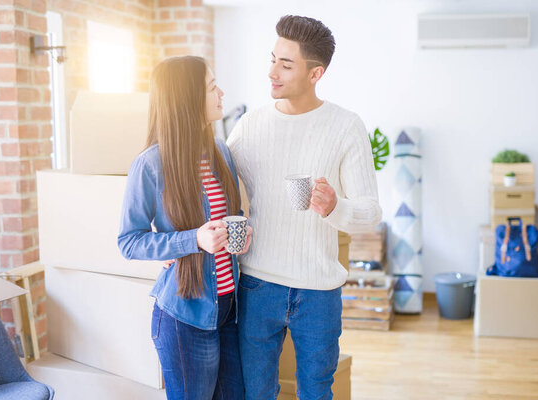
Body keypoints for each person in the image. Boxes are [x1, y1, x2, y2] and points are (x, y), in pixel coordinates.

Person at [226, 15, 382, 400]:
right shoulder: (250, 126)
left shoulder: (345, 127)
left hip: (318, 291)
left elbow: (370, 213)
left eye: (286, 64)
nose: (272, 72)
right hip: (258, 284)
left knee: (316, 392)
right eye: (273, 59)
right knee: (257, 393)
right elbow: (215, 188)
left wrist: (334, 208)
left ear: (316, 74)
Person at [118, 56, 251, 400]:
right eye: (211, 87)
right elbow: (129, 242)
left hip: (228, 309)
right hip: (184, 318)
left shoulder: (220, 151)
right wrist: (193, 240)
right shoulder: (150, 164)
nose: (221, 92)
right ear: (187, 98)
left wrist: (242, 233)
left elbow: (229, 215)